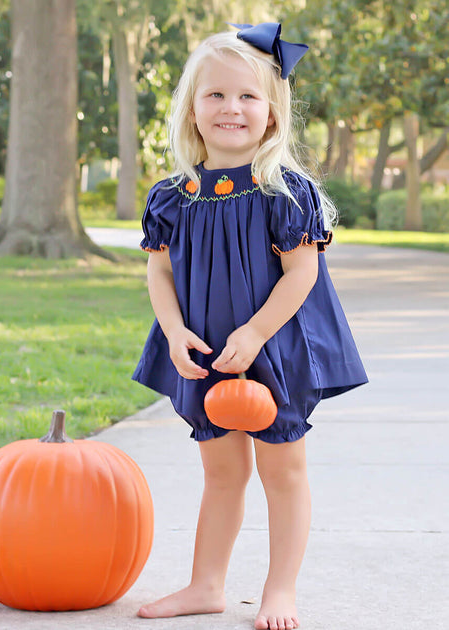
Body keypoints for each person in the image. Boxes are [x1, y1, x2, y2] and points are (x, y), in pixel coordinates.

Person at [132, 23, 368, 630]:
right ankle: (206, 584)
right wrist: (173, 329)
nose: (231, 108)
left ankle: (280, 591)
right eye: (215, 95)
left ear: (270, 113)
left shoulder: (284, 191)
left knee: (281, 469)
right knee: (221, 471)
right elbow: (159, 274)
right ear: (191, 108)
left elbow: (302, 274)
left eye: (247, 97)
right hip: (204, 347)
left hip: (273, 346)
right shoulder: (171, 196)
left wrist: (258, 333)